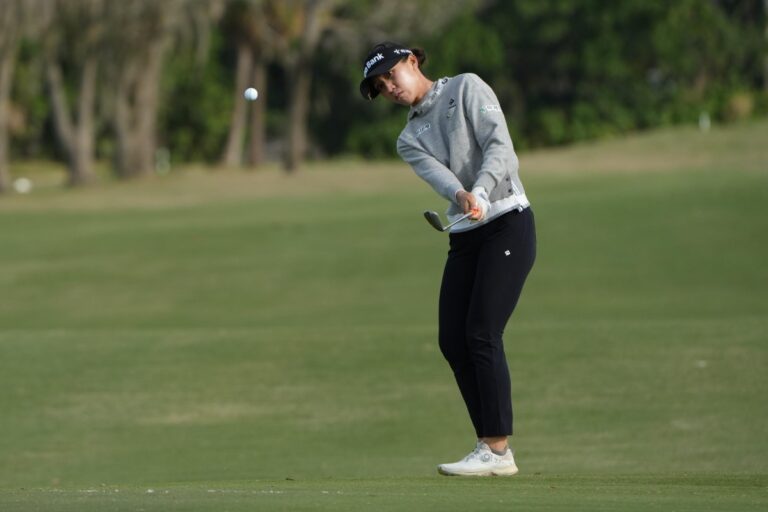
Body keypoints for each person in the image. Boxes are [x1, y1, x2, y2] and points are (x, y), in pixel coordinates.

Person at [359, 42, 536, 476]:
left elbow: (502, 149)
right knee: (452, 340)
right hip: (466, 235)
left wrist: (480, 190)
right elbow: (443, 180)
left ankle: (497, 450)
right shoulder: (408, 138)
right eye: (380, 87)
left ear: (413, 63)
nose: (389, 88)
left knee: (481, 331)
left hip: (507, 221)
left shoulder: (467, 88)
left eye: (391, 77)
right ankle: (487, 446)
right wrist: (461, 195)